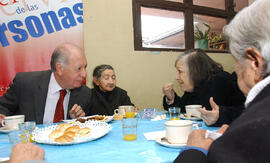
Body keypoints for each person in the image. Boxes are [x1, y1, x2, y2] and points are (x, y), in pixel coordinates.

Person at [174, 0, 270, 162]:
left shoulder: (220, 82)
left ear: (254, 62)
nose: (235, 71)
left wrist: (195, 151)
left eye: (237, 62)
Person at [0, 43, 92, 124]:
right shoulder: (25, 83)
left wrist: (78, 121)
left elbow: (86, 128)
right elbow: (3, 107)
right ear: (60, 68)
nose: (84, 74)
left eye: (85, 67)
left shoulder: (84, 94)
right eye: (79, 68)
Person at [162, 49, 245, 126]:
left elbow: (246, 111)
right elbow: (185, 109)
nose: (177, 77)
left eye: (180, 71)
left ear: (194, 71)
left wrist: (220, 115)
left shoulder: (221, 81)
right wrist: (171, 98)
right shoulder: (195, 85)